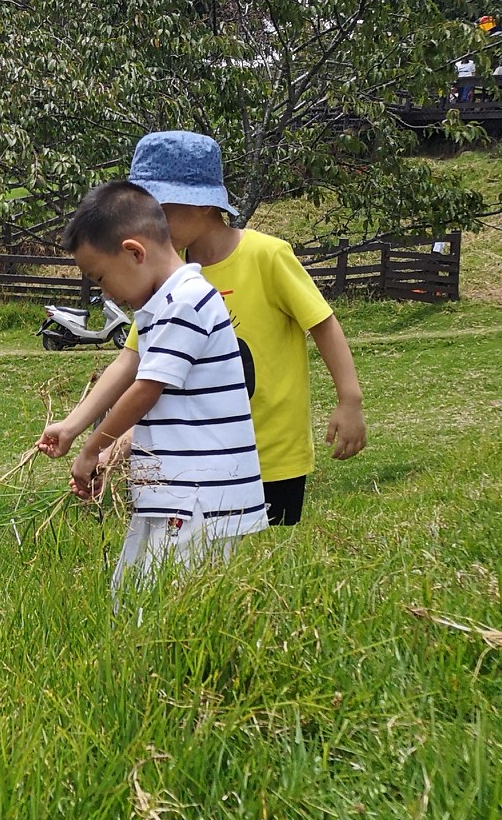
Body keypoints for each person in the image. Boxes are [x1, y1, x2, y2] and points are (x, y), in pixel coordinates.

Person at [37, 131, 367, 527]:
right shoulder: (159, 281)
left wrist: (350, 400)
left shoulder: (266, 255)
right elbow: (134, 362)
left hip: (271, 452)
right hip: (196, 459)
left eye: (159, 210)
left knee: (257, 562)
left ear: (203, 204)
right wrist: (80, 428)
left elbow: (323, 324)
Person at [55, 181, 267, 591]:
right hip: (174, 493)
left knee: (171, 612)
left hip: (202, 498)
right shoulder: (160, 306)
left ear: (135, 252)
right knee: (131, 595)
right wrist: (70, 426)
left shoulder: (186, 302)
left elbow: (145, 388)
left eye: (101, 277)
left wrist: (92, 448)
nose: (104, 292)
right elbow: (130, 361)